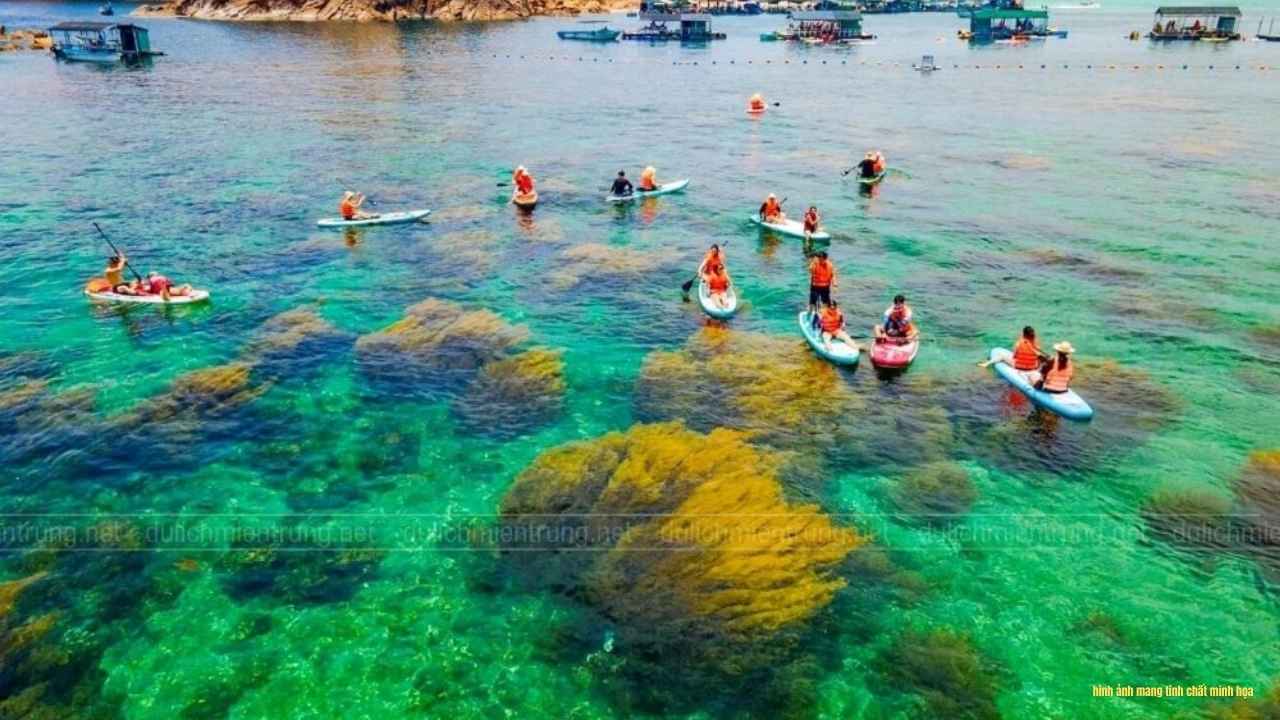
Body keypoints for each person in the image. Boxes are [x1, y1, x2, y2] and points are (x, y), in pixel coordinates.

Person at [807, 250, 837, 316]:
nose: (819, 260)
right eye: (819, 258)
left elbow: (833, 275)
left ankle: (826, 316)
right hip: (815, 286)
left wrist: (835, 285)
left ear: (825, 259)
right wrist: (813, 263)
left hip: (825, 287)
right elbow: (810, 270)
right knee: (812, 302)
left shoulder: (830, 265)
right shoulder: (815, 263)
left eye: (821, 259)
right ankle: (810, 314)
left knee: (826, 303)